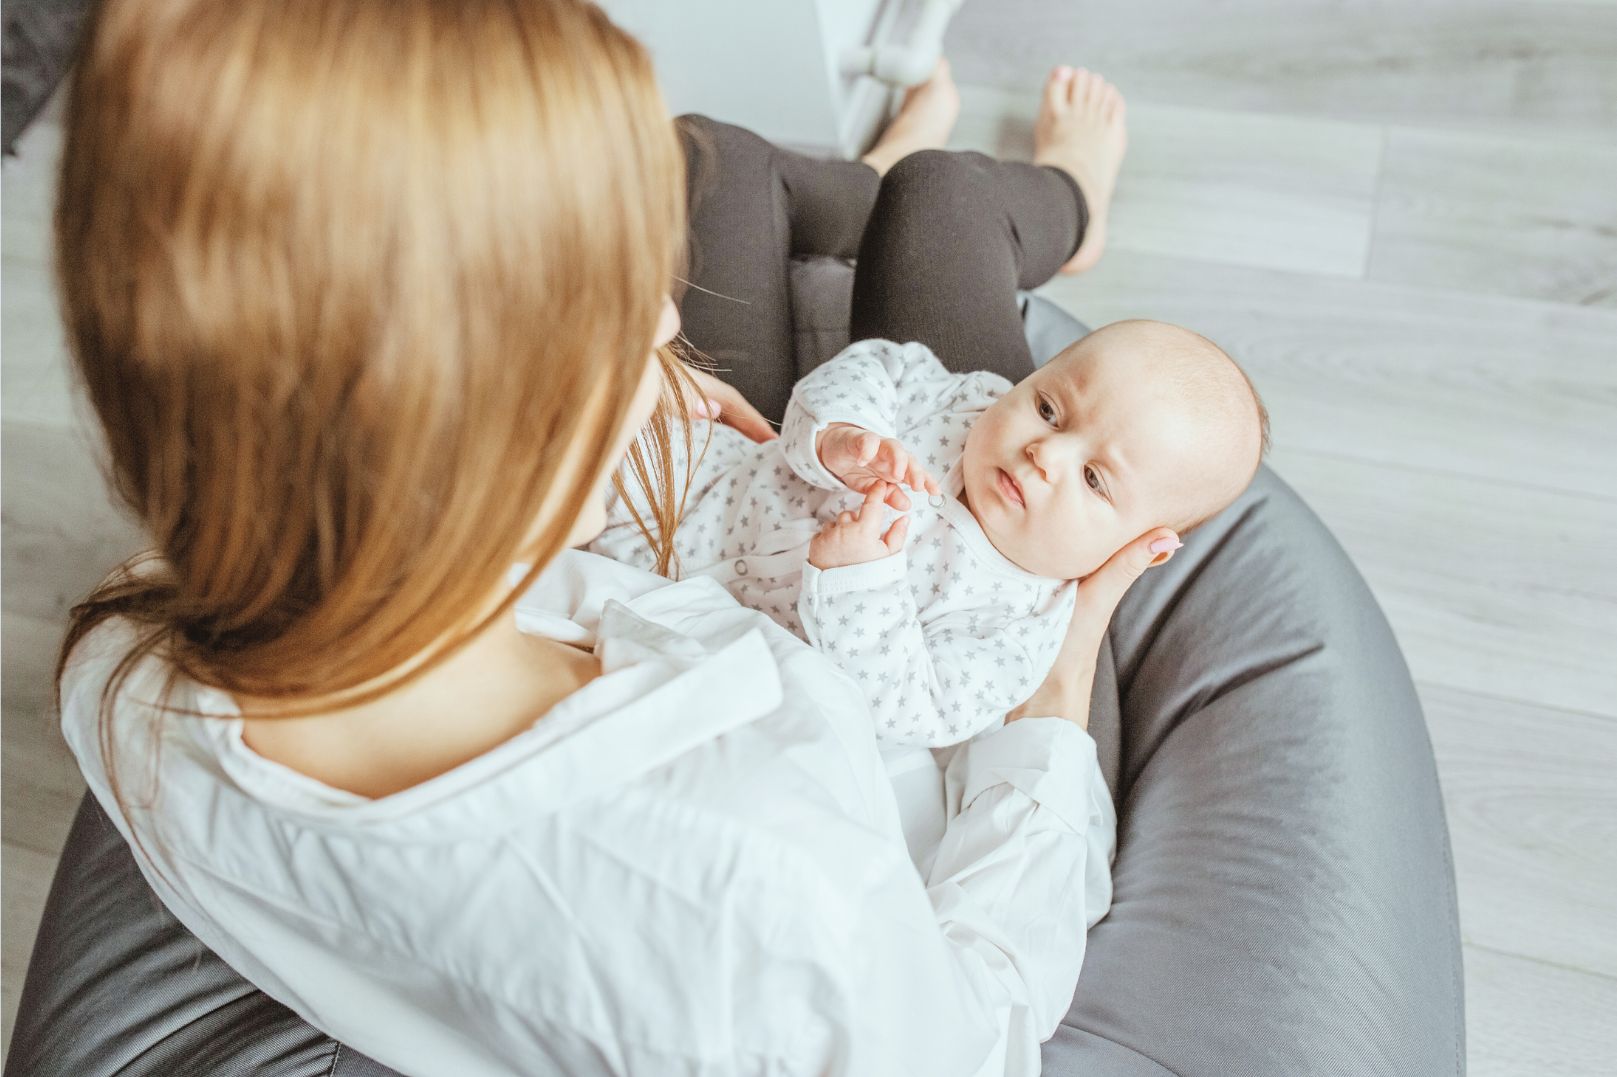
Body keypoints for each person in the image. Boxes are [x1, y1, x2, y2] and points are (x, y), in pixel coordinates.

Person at [54, 3, 1176, 1075]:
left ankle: (876, 180)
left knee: (719, 165)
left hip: (716, 519)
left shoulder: (122, 656)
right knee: (945, 210)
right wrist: (1062, 676)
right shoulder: (767, 884)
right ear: (477, 431)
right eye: (619, 302)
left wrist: (606, 388)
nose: (668, 322)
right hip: (933, 690)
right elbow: (978, 1041)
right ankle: (1047, 199)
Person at [592, 321, 1268, 749]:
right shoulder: (961, 404)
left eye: (1094, 479)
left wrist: (859, 582)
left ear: (1134, 546)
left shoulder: (1015, 627)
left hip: (679, 626)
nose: (1045, 454)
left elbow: (912, 710)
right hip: (689, 474)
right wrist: (839, 436)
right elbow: (878, 366)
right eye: (1048, 407)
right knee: (562, 443)